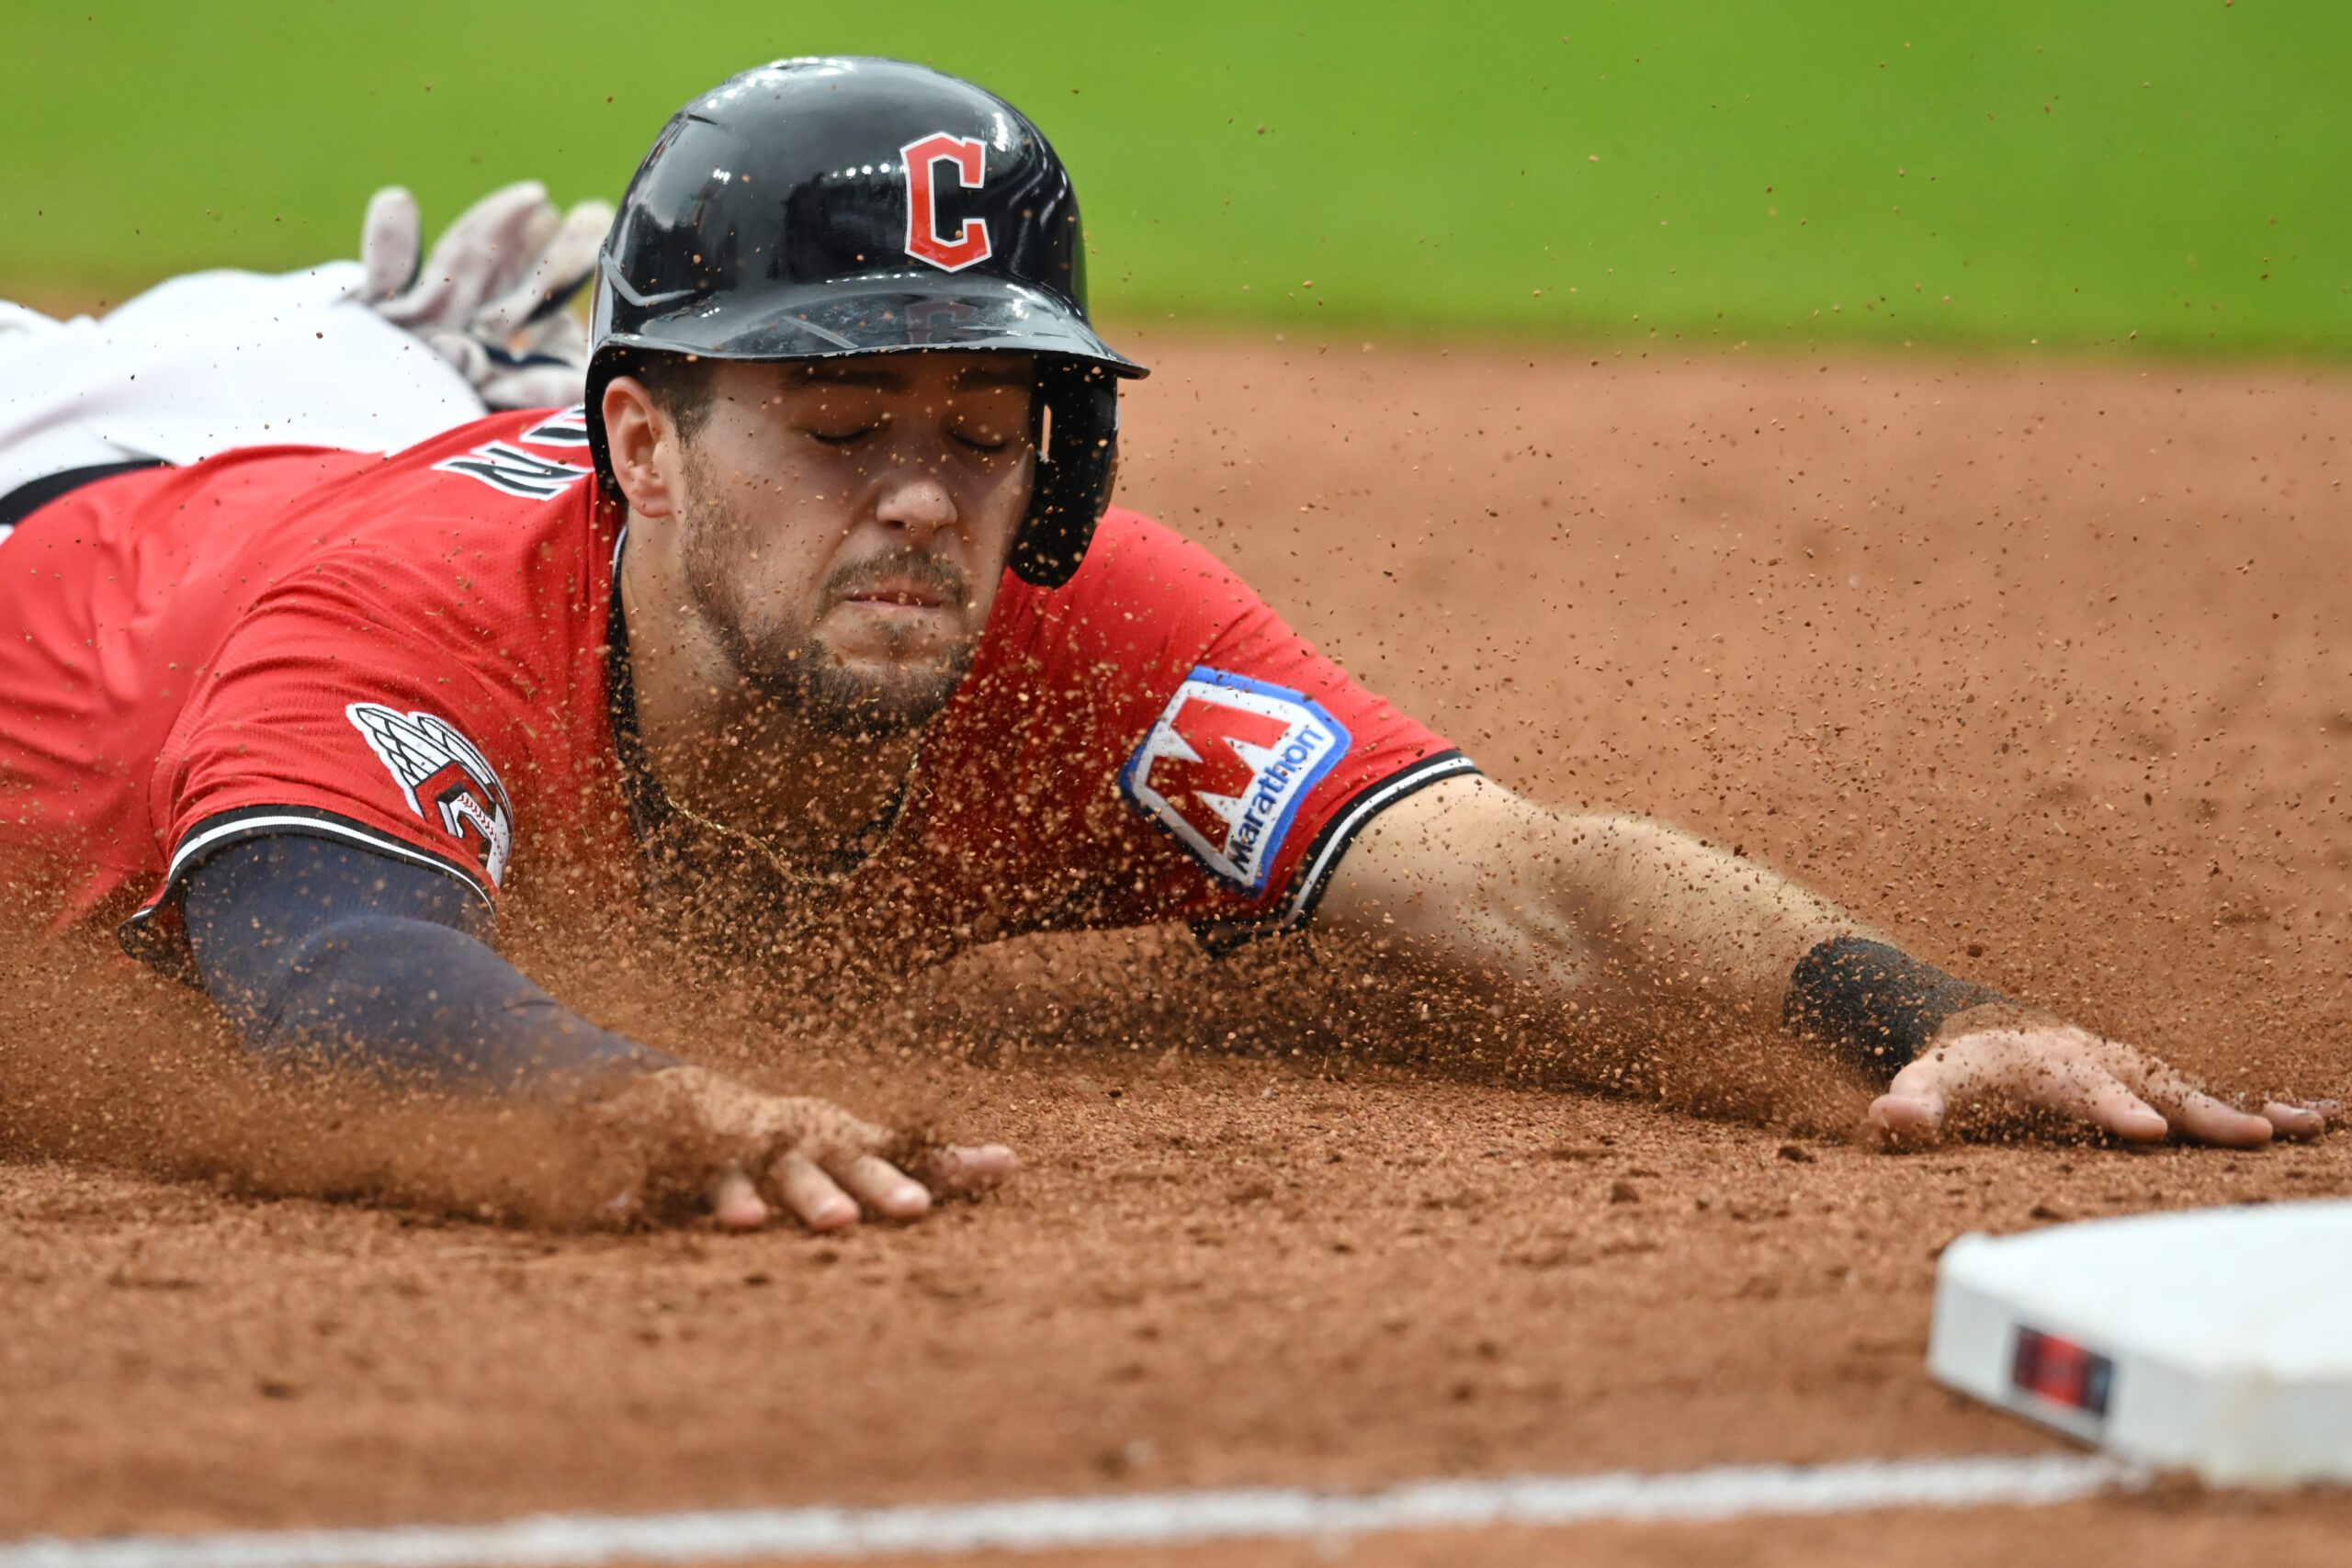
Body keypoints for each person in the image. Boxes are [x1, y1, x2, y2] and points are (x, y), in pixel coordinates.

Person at [0, 58, 2326, 1234]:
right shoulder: (385, 625)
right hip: (77, 487)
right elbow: (319, 961)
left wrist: (1920, 1011)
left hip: (399, 441)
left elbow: (1515, 885)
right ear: (648, 440)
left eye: (982, 419)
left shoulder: (1060, 626)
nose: (923, 490)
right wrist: (629, 1108)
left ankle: (386, 347)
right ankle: (325, 342)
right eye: (833, 417)